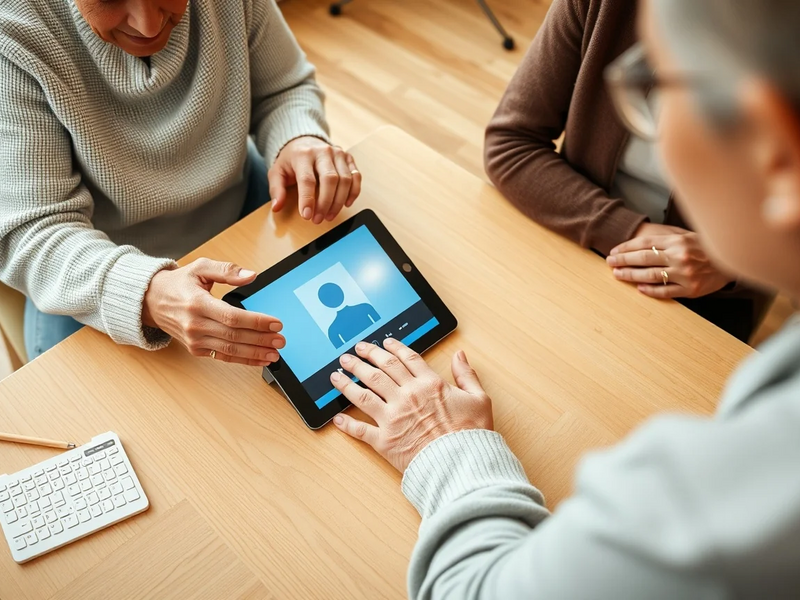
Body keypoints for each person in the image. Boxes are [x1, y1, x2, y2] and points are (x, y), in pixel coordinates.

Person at [327, 0, 800, 597]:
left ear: (774, 148)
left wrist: (445, 450)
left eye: (659, 82)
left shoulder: (741, 477)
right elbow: (511, 143)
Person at [0, 0, 362, 363]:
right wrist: (144, 291)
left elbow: (283, 89)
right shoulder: (11, 32)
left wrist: (298, 138)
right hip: (95, 275)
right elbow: (34, 231)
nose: (148, 25)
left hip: (242, 212)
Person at [484, 0, 772, 342]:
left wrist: (729, 262)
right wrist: (628, 232)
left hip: (715, 298)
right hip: (570, 235)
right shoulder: (605, 7)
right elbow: (510, 143)